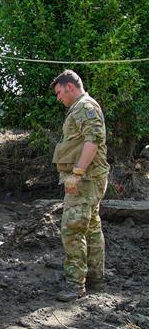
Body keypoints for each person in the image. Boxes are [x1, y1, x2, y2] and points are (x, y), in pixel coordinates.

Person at [50, 69, 109, 302]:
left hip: (85, 181)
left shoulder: (85, 107)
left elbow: (93, 140)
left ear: (70, 87)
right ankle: (95, 279)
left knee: (72, 230)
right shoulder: (81, 107)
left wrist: (77, 173)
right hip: (90, 180)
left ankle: (75, 285)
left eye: (59, 93)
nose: (58, 98)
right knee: (92, 228)